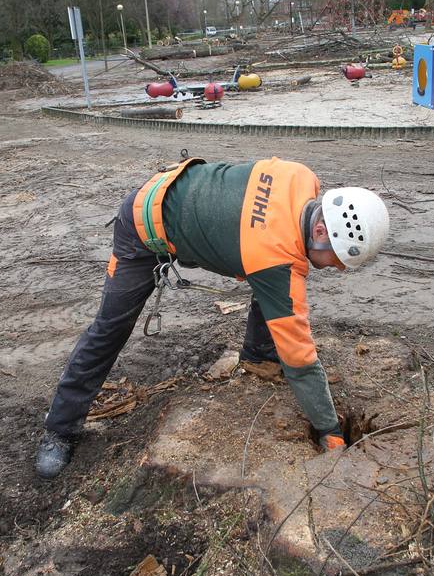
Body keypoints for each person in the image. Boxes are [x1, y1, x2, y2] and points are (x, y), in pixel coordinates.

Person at [36, 157, 391, 479]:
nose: (336, 269)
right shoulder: (275, 262)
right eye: (338, 260)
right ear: (320, 231)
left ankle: (259, 355)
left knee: (275, 285)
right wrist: (329, 430)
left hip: (183, 191)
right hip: (143, 224)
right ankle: (60, 430)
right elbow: (300, 361)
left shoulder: (302, 178)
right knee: (109, 329)